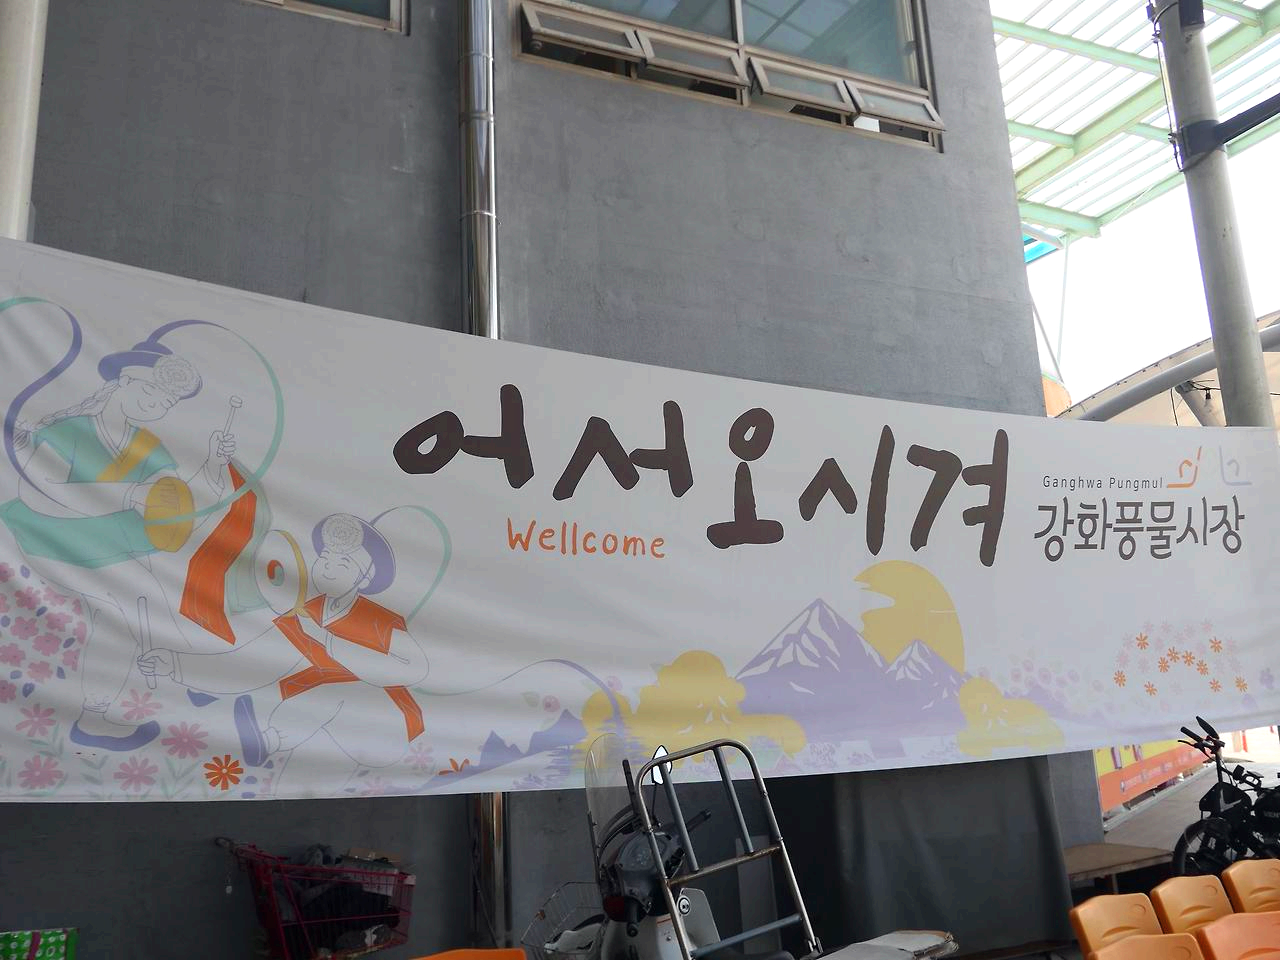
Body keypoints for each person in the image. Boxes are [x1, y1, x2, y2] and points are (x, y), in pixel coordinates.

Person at [1, 334, 235, 750]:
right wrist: (127, 496)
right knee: (126, 606)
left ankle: (188, 680)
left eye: (165, 403)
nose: (155, 405)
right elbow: (37, 490)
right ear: (122, 382)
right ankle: (97, 714)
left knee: (164, 598)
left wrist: (213, 466)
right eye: (149, 392)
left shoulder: (148, 446)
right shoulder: (69, 430)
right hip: (50, 535)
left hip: (109, 544)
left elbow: (178, 504)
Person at [139, 513, 429, 792]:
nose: (328, 567)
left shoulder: (380, 620)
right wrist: (174, 665)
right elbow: (249, 664)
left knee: (338, 693)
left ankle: (269, 740)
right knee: (299, 720)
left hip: (385, 728)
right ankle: (268, 745)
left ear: (365, 577)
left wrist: (328, 641)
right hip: (324, 731)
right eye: (325, 558)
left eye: (342, 563)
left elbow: (416, 669)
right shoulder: (304, 615)